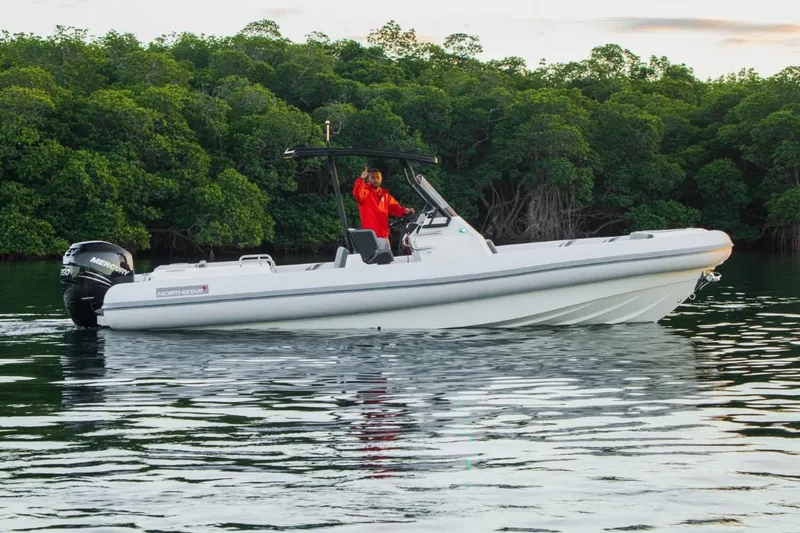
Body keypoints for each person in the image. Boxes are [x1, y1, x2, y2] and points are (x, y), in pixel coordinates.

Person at [352, 166, 415, 241]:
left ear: (381, 178)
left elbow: (395, 208)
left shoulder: (385, 195)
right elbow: (357, 194)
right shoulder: (365, 192)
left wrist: (405, 210)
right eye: (373, 177)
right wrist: (361, 179)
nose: (375, 180)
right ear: (369, 179)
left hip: (383, 235)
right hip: (370, 236)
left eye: (377, 177)